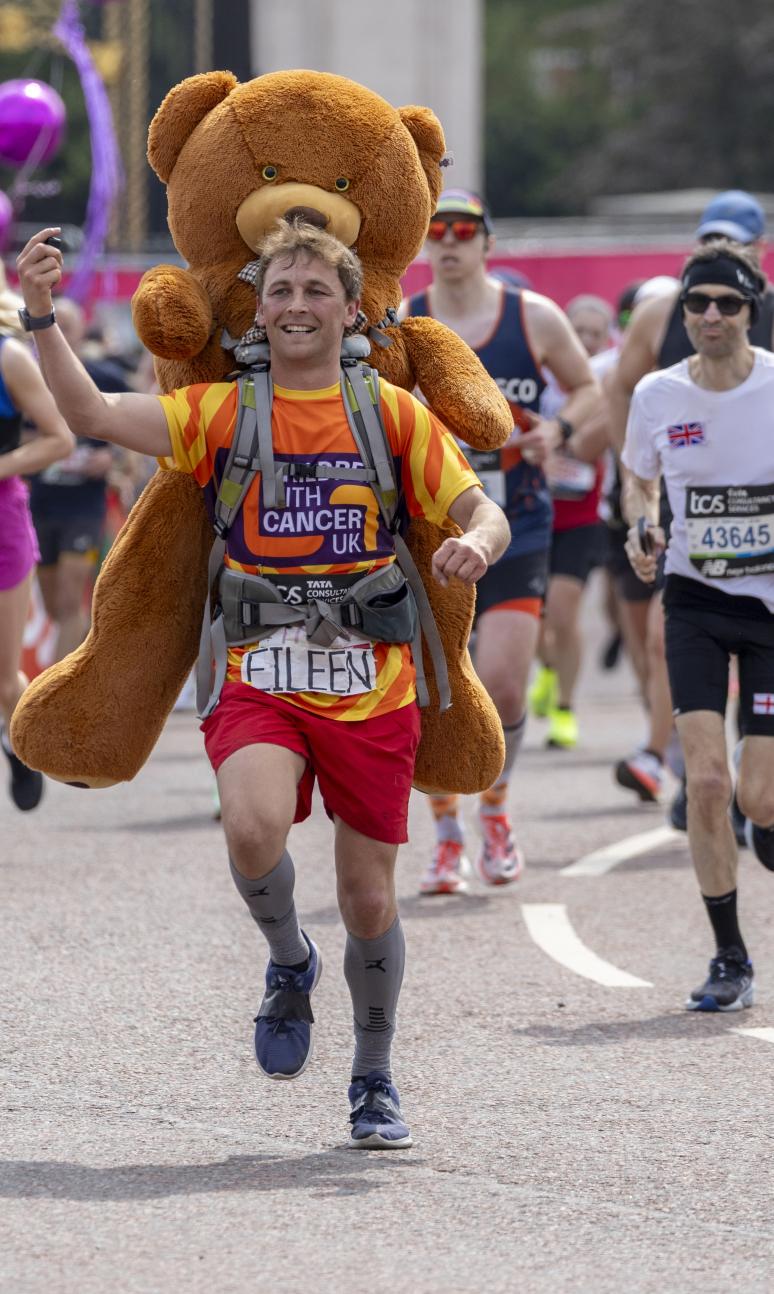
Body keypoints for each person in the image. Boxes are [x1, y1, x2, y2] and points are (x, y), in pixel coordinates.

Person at [16, 221, 510, 1146]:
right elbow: (91, 416)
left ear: (351, 308)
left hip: (375, 681)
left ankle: (372, 1074)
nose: (295, 305)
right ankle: (290, 962)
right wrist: (41, 314)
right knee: (250, 831)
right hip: (261, 670)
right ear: (259, 307)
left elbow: (484, 508)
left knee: (369, 899)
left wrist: (475, 544)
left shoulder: (391, 415)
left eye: (315, 290)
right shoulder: (220, 412)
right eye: (280, 289)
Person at [401, 188, 598, 891]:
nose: (449, 241)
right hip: (432, 531)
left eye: (464, 230)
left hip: (519, 522)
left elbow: (586, 389)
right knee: (438, 690)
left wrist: (559, 430)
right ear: (426, 244)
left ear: (488, 242)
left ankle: (496, 811)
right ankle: (447, 832)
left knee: (507, 690)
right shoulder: (405, 322)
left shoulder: (533, 316)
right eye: (437, 230)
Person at [622, 240, 774, 1012]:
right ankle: (730, 958)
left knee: (762, 799)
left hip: (772, 609)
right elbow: (640, 480)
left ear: (752, 310)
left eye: (727, 303)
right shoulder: (657, 393)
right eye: (697, 303)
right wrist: (641, 529)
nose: (710, 316)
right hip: (695, 602)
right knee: (708, 784)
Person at [609, 190, 772, 821]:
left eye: (730, 240)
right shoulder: (660, 312)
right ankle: (686, 770)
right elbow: (621, 385)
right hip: (688, 494)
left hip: (760, 498)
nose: (711, 309)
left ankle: (750, 782)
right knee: (666, 638)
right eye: (706, 239)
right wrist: (635, 467)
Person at [0, 266, 74, 809]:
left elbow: (59, 440)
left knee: (5, 684)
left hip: (4, 526)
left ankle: (28, 747)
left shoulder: (9, 357)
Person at [530, 294, 614, 748]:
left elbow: (593, 448)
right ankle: (546, 667)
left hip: (582, 516)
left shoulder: (604, 384)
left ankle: (564, 708)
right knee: (535, 621)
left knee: (564, 612)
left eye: (594, 335)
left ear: (607, 340)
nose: (584, 341)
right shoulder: (539, 379)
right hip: (532, 512)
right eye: (576, 331)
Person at [28, 298, 130, 662]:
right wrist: (47, 447)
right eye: (53, 327)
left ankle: (52, 699)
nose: (60, 335)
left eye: (66, 327)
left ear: (82, 330)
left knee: (71, 601)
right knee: (57, 606)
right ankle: (91, 661)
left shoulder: (105, 377)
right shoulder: (29, 379)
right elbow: (17, 438)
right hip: (40, 506)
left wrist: (112, 457)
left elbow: (134, 434)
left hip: (85, 507)